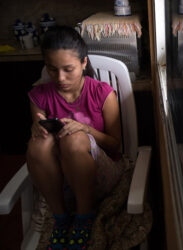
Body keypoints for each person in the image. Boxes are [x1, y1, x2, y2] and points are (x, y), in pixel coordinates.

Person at [26, 26, 124, 250]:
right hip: (61, 179)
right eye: (52, 69)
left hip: (101, 172)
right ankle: (60, 218)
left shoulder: (102, 93)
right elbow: (42, 150)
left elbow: (115, 145)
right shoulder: (39, 97)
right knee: (39, 144)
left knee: (74, 138)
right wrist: (37, 129)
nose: (60, 78)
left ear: (83, 63)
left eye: (68, 69)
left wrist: (86, 130)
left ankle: (84, 216)